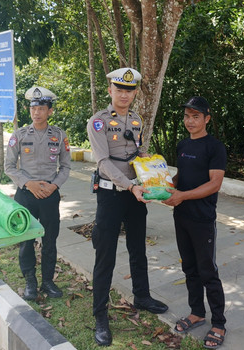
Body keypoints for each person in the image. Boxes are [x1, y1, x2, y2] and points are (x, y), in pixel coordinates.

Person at [86, 67, 169, 346]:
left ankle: (142, 296)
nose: (124, 94)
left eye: (129, 90)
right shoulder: (98, 122)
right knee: (105, 255)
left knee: (138, 247)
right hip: (112, 195)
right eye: (119, 89)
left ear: (134, 93)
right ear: (110, 90)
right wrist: (130, 185)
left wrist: (154, 171)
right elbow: (104, 162)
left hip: (136, 194)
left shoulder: (136, 120)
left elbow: (138, 153)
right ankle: (100, 315)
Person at [162, 96, 227, 349]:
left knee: (207, 271)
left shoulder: (215, 147)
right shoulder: (182, 145)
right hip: (181, 216)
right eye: (187, 116)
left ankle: (219, 323)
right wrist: (165, 186)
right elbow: (181, 175)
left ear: (207, 119)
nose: (190, 121)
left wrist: (182, 196)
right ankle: (197, 312)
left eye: (196, 116)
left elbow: (215, 183)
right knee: (189, 268)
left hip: (202, 219)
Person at [4, 86, 71, 301]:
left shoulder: (59, 136)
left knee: (50, 240)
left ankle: (48, 282)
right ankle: (30, 282)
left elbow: (66, 167)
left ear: (49, 111)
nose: (36, 113)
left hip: (50, 195)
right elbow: (9, 167)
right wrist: (28, 184)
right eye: (34, 108)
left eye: (42, 108)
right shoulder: (20, 135)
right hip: (26, 195)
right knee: (27, 241)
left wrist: (55, 186)